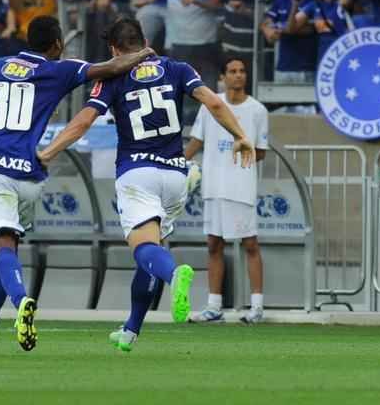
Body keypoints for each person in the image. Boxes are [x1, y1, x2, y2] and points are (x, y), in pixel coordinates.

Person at [38, 18, 254, 351]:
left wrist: (48, 153)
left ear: (113, 50)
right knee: (150, 252)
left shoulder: (113, 77)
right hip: (175, 175)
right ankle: (130, 330)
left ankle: (175, 275)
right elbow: (213, 102)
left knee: (145, 250)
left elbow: (82, 122)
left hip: (137, 175)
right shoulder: (177, 68)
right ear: (144, 41)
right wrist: (241, 135)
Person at [0, 15, 154, 350]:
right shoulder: (59, 69)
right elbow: (110, 67)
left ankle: (21, 303)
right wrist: (144, 53)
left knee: (2, 246)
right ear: (58, 43)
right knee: (9, 245)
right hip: (30, 175)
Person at [185, 57, 270, 324]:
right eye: (232, 71)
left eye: (242, 71)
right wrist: (176, 163)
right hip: (213, 186)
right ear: (223, 76)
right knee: (213, 244)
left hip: (241, 186)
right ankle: (214, 307)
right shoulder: (211, 105)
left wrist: (240, 156)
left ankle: (256, 307)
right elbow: (196, 141)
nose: (238, 75)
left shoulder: (257, 110)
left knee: (250, 243)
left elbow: (262, 151)